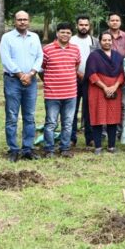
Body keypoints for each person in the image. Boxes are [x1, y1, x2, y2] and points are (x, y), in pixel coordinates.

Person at [0, 10, 43, 162]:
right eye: (19, 20)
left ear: (29, 21)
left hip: (30, 81)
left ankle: (27, 148)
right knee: (12, 116)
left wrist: (30, 74)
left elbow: (39, 57)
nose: (22, 22)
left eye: (25, 19)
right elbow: (6, 59)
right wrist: (20, 75)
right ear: (14, 21)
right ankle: (13, 149)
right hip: (13, 81)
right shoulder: (7, 38)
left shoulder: (35, 37)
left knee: (29, 116)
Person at [40, 22, 81, 158]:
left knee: (68, 123)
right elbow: (42, 69)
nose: (65, 35)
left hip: (70, 93)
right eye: (62, 32)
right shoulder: (47, 49)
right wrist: (50, 82)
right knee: (51, 122)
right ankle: (49, 149)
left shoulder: (75, 49)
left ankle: (65, 148)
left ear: (71, 34)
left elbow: (75, 67)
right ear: (57, 33)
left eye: (68, 32)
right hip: (52, 94)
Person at [84, 31, 123, 154]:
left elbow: (122, 73)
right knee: (98, 117)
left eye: (109, 40)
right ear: (100, 42)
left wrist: (115, 86)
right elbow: (91, 74)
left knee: (113, 118)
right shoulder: (94, 56)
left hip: (115, 90)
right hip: (98, 90)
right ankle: (98, 147)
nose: (107, 42)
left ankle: (112, 146)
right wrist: (105, 87)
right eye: (104, 40)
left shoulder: (118, 56)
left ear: (112, 41)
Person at [69, 15, 99, 148]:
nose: (83, 27)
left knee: (89, 110)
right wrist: (77, 73)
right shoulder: (70, 40)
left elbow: (98, 59)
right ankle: (71, 138)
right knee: (72, 110)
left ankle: (90, 138)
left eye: (86, 25)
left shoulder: (94, 41)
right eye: (81, 25)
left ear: (89, 26)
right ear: (77, 26)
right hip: (72, 79)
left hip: (90, 80)